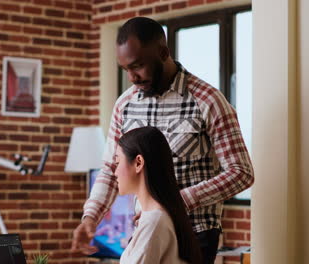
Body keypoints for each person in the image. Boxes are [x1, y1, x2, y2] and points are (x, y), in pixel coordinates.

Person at [71, 16, 254, 264]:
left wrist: (178, 202)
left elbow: (241, 172)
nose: (132, 77)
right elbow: (110, 169)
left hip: (196, 233)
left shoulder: (208, 100)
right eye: (126, 69)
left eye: (137, 66)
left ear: (163, 52)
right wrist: (90, 217)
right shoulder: (124, 105)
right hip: (146, 230)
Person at [116, 126, 202, 263]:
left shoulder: (154, 221)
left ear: (138, 163)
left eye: (117, 162)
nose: (115, 172)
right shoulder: (154, 217)